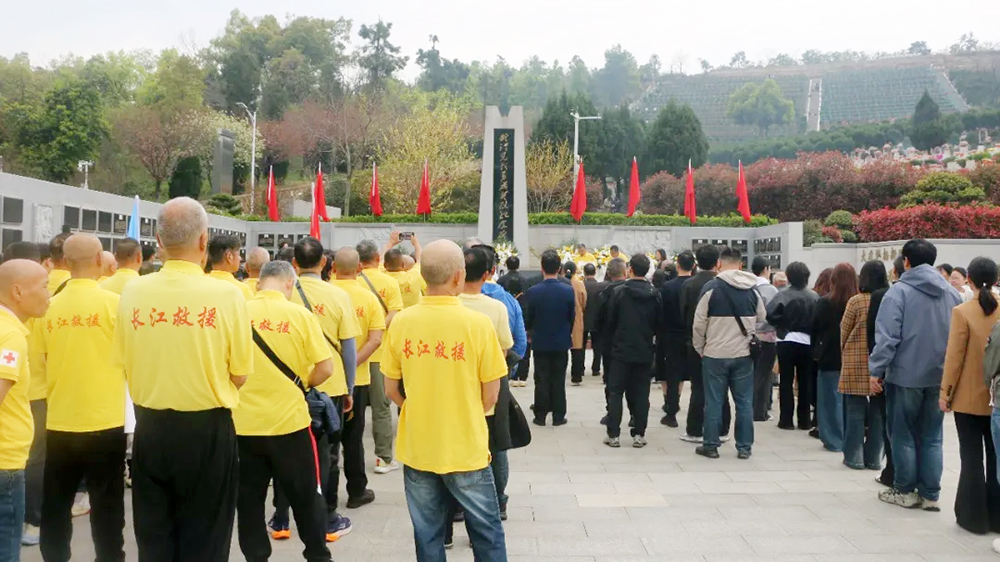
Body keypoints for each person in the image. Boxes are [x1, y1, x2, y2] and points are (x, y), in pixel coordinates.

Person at [113, 197, 253, 560]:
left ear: (159, 241)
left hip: (150, 428)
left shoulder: (133, 291)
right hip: (208, 430)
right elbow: (240, 373)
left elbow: (123, 360)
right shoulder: (228, 294)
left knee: (154, 536)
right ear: (204, 240)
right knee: (207, 537)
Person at [381, 240, 508, 561]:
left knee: (427, 535)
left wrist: (415, 409)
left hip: (418, 445)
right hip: (466, 446)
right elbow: (491, 395)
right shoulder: (478, 325)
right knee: (487, 533)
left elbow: (391, 389)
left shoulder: (402, 322)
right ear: (457, 276)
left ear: (423, 276)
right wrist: (465, 413)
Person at [236, 260, 334, 562]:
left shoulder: (237, 314)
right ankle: (317, 555)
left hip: (243, 426)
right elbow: (326, 368)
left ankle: (256, 557)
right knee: (306, 496)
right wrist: (303, 384)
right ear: (290, 283)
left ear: (258, 284)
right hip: (290, 424)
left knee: (249, 501)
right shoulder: (300, 315)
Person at [37, 233, 126, 562]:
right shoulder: (115, 305)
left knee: (56, 504)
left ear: (65, 261)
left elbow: (42, 361)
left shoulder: (48, 307)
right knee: (108, 506)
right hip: (106, 419)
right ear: (100, 259)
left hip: (60, 420)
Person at [279, 238, 362, 540]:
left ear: (294, 263)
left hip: (291, 384)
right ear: (325, 263)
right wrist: (350, 387)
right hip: (331, 385)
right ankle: (327, 518)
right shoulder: (338, 295)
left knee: (286, 451)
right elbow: (349, 348)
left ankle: (281, 519)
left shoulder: (285, 293)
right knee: (329, 454)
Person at [870, 238, 961, 510]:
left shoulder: (898, 293)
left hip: (905, 375)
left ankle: (905, 490)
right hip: (939, 376)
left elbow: (887, 338)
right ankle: (930, 494)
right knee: (933, 436)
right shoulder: (951, 293)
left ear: (906, 261)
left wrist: (876, 370)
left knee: (903, 434)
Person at [941, 257, 1000, 533]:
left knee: (971, 457)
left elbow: (954, 358)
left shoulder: (962, 312)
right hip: (997, 396)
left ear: (969, 279)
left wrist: (946, 393)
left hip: (968, 398)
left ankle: (973, 517)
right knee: (997, 457)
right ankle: (997, 516)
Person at [457, 247, 515, 521]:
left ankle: (458, 504)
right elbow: (504, 348)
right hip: (490, 386)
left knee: (459, 444)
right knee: (496, 446)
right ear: (489, 273)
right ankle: (498, 502)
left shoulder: (449, 304)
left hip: (456, 386)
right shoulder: (496, 308)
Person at [692, 247, 765, 460]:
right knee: (744, 402)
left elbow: (698, 324)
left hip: (715, 354)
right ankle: (744, 447)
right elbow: (762, 318)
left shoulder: (711, 288)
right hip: (743, 355)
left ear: (719, 264)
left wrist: (700, 348)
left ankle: (711, 445)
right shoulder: (752, 289)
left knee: (714, 401)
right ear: (741, 265)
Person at [327, 248, 385, 516]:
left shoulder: (323, 294)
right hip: (357, 380)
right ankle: (356, 490)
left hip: (323, 378)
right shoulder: (368, 299)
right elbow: (375, 339)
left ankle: (326, 495)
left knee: (326, 439)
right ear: (359, 268)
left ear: (333, 267)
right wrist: (352, 363)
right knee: (353, 438)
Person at [0, 259, 50, 562]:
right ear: (18, 292)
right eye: (44, 286)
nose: (48, 294)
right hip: (5, 464)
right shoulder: (11, 337)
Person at [355, 240, 403, 475]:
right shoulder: (389, 282)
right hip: (379, 353)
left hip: (351, 354)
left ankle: (343, 454)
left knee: (348, 406)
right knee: (381, 407)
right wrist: (377, 328)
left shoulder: (349, 282)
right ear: (377, 258)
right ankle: (383, 458)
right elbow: (394, 312)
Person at [603, 255, 661, 448]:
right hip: (644, 349)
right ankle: (639, 434)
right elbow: (659, 324)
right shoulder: (655, 294)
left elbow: (610, 321)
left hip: (621, 350)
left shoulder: (619, 292)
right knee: (641, 393)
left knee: (616, 392)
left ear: (630, 269)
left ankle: (613, 434)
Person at [839, 261, 887, 471]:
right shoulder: (888, 298)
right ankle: (874, 458)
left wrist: (845, 350)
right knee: (878, 413)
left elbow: (844, 330)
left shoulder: (856, 301)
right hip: (880, 360)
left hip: (855, 360)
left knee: (854, 410)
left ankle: (854, 457)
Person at [680, 245, 730, 444]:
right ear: (718, 262)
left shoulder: (689, 284)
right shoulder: (723, 284)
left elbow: (683, 314)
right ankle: (722, 429)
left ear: (696, 263)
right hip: (720, 340)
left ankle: (695, 429)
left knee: (698, 387)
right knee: (721, 387)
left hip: (694, 341)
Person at [523, 250, 575, 426]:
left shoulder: (533, 291)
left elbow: (528, 317)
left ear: (542, 268)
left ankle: (540, 415)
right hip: (561, 340)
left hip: (540, 341)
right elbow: (571, 316)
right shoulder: (568, 290)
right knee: (559, 379)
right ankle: (558, 416)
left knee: (541, 378)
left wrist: (530, 332)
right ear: (559, 268)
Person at [767, 262, 819, 431]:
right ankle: (804, 420)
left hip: (786, 339)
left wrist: (782, 324)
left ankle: (786, 420)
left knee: (786, 380)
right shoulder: (814, 297)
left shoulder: (782, 295)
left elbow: (770, 314)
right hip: (807, 341)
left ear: (789, 277)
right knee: (805, 381)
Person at [869, 255, 906, 488]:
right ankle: (926, 487)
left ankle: (894, 474)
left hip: (892, 371)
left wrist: (876, 370)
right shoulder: (945, 293)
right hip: (931, 373)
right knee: (927, 436)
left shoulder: (886, 296)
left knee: (892, 426)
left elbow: (878, 337)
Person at [812, 263, 857, 453]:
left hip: (829, 356)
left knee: (830, 400)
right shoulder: (857, 302)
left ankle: (833, 439)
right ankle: (849, 437)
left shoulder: (825, 302)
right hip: (853, 358)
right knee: (850, 402)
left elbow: (815, 328)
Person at [657, 251, 694, 427]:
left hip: (671, 335)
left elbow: (661, 313)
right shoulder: (698, 286)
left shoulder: (667, 287)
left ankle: (671, 410)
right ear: (693, 266)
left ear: (678, 265)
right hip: (693, 335)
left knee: (672, 373)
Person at [595, 259, 628, 425]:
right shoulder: (632, 290)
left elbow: (598, 320)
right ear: (625, 272)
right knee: (634, 383)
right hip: (632, 341)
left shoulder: (605, 293)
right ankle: (635, 416)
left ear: (608, 273)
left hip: (610, 344)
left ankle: (612, 414)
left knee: (611, 381)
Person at [751, 256, 779, 422]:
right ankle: (760, 411)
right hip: (767, 337)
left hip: (749, 336)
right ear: (766, 269)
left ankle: (749, 407)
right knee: (764, 376)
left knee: (751, 374)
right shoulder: (771, 290)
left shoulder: (748, 287)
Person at [382, 231, 424, 309]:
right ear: (403, 264)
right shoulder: (413, 277)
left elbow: (381, 258)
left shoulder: (381, 275)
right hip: (411, 315)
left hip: (390, 316)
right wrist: (416, 243)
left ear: (384, 265)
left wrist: (391, 242)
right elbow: (420, 259)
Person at [205, 234, 253, 301]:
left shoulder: (200, 283)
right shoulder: (243, 290)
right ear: (229, 257)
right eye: (238, 254)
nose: (240, 258)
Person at [564, 262, 588, 386]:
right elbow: (584, 301)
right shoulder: (579, 283)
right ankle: (577, 375)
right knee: (577, 347)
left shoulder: (562, 283)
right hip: (577, 317)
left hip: (563, 318)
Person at [582, 263, 607, 379]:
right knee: (598, 346)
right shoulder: (600, 286)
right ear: (595, 272)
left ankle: (580, 368)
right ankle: (596, 368)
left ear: (584, 273)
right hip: (597, 319)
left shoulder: (581, 285)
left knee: (581, 346)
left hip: (584, 319)